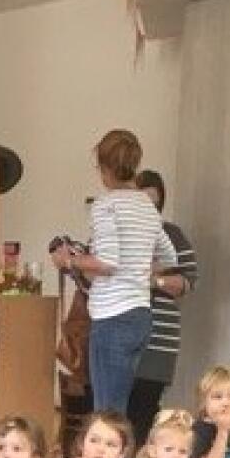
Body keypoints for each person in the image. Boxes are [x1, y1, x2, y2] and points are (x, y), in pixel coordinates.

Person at [50, 129, 177, 416]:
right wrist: (138, 268)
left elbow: (107, 262)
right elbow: (169, 257)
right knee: (118, 410)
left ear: (106, 168)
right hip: (140, 317)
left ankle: (113, 448)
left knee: (107, 413)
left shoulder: (105, 205)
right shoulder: (146, 205)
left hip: (112, 317)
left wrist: (69, 261)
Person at [128, 170, 199, 445]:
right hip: (120, 332)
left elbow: (188, 281)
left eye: (154, 202)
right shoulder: (116, 232)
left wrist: (154, 280)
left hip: (159, 337)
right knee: (114, 411)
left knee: (145, 407)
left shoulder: (172, 235)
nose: (148, 207)